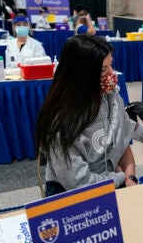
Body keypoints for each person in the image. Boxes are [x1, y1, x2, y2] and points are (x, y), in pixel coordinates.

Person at [35, 35, 137, 196]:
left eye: (111, 65)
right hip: (75, 192)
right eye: (104, 69)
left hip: (111, 180)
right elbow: (79, 184)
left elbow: (122, 142)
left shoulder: (111, 96)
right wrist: (119, 178)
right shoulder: (62, 121)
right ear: (82, 74)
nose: (111, 74)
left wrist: (130, 178)